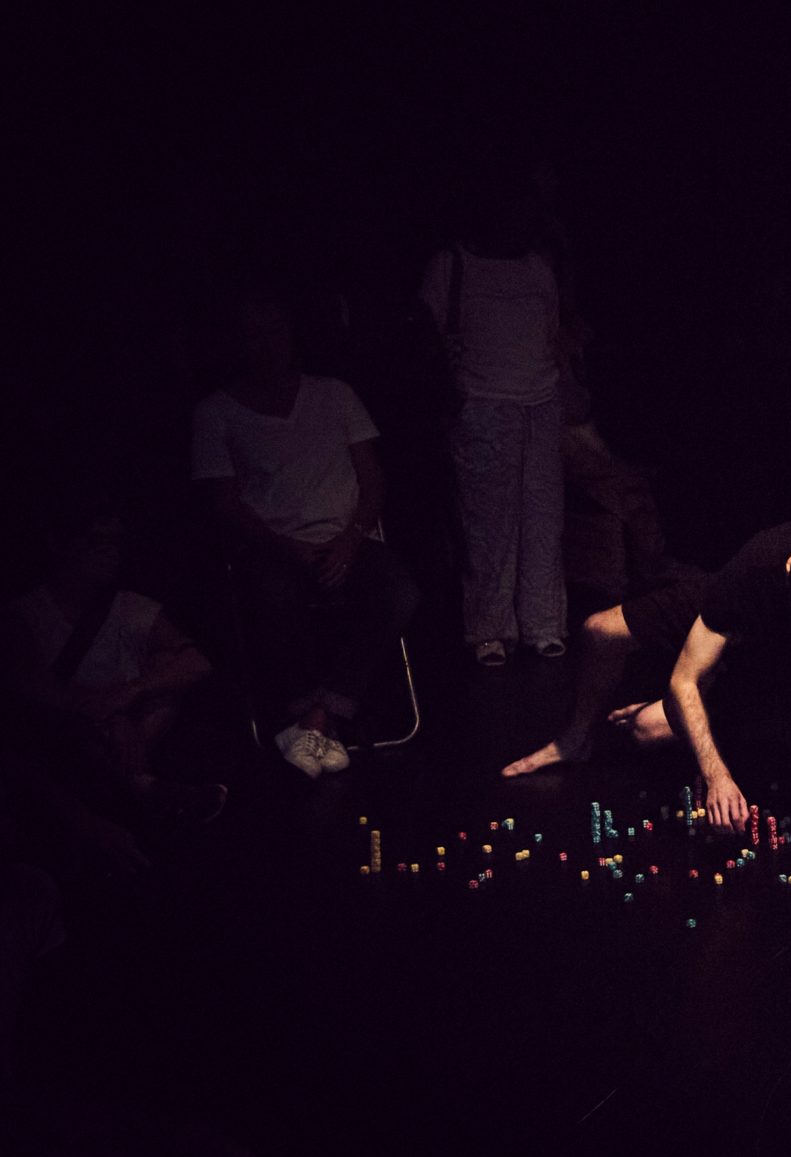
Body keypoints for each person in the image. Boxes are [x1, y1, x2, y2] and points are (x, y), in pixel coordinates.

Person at [499, 523, 791, 844]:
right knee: (599, 630)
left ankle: (672, 706)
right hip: (730, 619)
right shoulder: (757, 567)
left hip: (778, 673)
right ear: (789, 574)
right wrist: (719, 780)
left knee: (647, 730)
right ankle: (576, 739)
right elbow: (684, 679)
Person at [191, 294, 419, 778]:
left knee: (399, 591)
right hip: (272, 548)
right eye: (254, 335)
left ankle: (321, 719)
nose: (268, 345)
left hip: (346, 540)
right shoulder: (217, 413)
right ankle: (306, 716)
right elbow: (224, 504)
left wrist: (350, 539)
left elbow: (373, 478)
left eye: (276, 331)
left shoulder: (334, 394)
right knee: (272, 596)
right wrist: (288, 547)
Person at [420, 175, 569, 667]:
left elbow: (552, 330)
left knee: (542, 519)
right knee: (488, 528)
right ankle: (489, 629)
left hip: (540, 403)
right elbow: (429, 338)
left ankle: (544, 625)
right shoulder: (453, 265)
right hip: (483, 405)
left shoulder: (535, 267)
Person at [3, 500, 223, 823]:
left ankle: (136, 783)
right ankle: (140, 789)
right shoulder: (24, 616)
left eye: (115, 541)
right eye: (96, 541)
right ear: (60, 545)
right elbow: (38, 691)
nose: (110, 552)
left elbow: (198, 662)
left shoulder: (128, 607)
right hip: (65, 751)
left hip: (136, 738)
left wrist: (129, 694)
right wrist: (112, 718)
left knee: (168, 665)